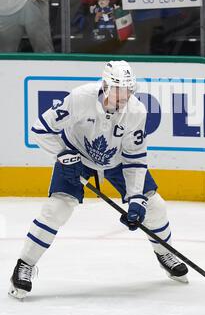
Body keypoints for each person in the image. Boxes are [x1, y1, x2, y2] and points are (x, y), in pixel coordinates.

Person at [9, 60, 188, 299]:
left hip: (117, 162)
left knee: (155, 207)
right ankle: (25, 265)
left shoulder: (136, 112)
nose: (124, 95)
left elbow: (134, 159)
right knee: (56, 209)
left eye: (128, 90)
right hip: (77, 157)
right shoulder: (80, 98)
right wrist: (63, 155)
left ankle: (164, 252)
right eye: (118, 89)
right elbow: (40, 129)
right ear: (105, 85)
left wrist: (136, 199)